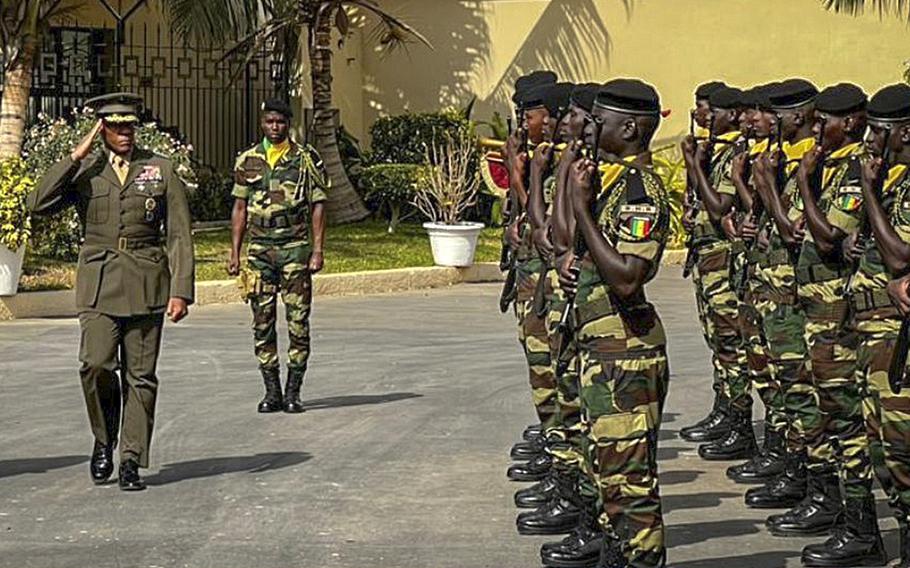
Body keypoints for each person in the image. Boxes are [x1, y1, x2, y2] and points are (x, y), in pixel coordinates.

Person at [27, 92, 195, 491]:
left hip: (147, 280)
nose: (124, 133)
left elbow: (179, 234)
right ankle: (104, 438)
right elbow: (37, 202)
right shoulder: (87, 170)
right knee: (96, 364)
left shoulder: (160, 169)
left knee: (141, 376)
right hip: (99, 282)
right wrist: (76, 154)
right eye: (115, 126)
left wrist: (181, 291)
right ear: (102, 129)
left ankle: (132, 458)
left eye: (129, 126)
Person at [560, 78, 671, 568]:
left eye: (597, 120)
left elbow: (628, 278)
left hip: (626, 353)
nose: (587, 127)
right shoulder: (610, 182)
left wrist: (583, 210)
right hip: (602, 351)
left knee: (630, 487)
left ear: (628, 127)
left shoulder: (639, 190)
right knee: (609, 479)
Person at [787, 83, 885, 567]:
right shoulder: (833, 164)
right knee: (831, 418)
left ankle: (862, 528)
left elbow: (828, 237)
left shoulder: (850, 171)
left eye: (822, 120)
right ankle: (846, 515)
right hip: (819, 315)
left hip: (840, 319)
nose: (814, 129)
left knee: (848, 424)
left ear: (849, 121)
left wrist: (805, 185)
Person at [228, 98, 328, 414]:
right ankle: (271, 391)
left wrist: (317, 249)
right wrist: (235, 252)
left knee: (298, 321)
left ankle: (293, 392)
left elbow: (318, 205)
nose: (275, 127)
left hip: (294, 248)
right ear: (263, 123)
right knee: (262, 321)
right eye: (270, 121)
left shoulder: (305, 159)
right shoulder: (248, 160)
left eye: (281, 122)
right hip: (259, 251)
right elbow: (240, 208)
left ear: (288, 123)